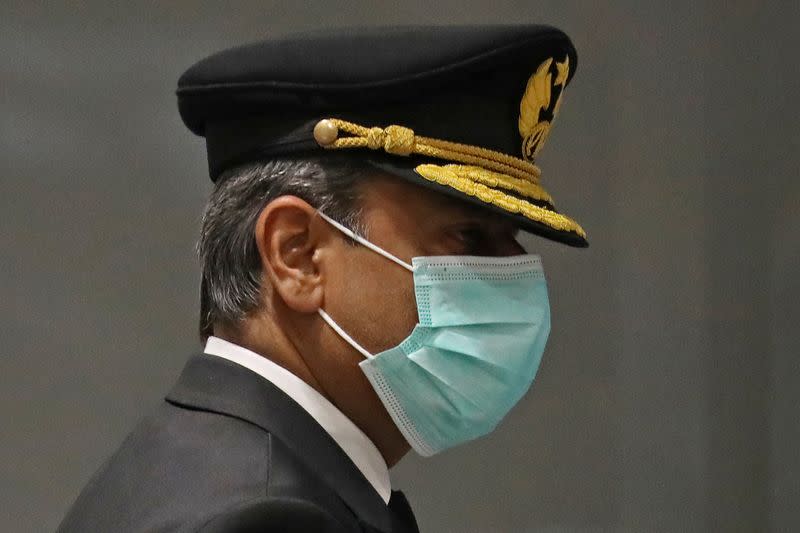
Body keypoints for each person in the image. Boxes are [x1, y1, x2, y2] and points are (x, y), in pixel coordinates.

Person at [57, 24, 587, 532]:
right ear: (297, 254)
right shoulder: (264, 517)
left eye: (514, 242)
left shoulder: (201, 466)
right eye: (469, 238)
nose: (512, 273)